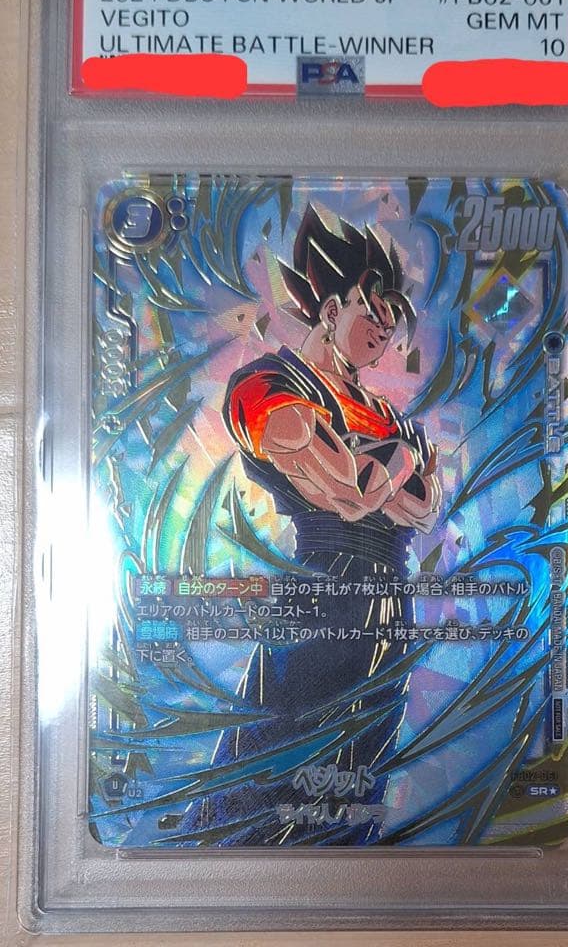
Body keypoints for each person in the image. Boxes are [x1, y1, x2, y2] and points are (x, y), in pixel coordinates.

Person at [182, 204, 442, 845]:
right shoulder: (270, 383)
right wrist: (398, 461)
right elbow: (345, 493)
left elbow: (421, 505)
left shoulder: (386, 414)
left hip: (389, 609)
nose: (385, 329)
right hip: (321, 597)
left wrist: (386, 465)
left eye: (393, 317)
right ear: (331, 309)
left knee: (357, 788)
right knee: (265, 776)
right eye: (373, 311)